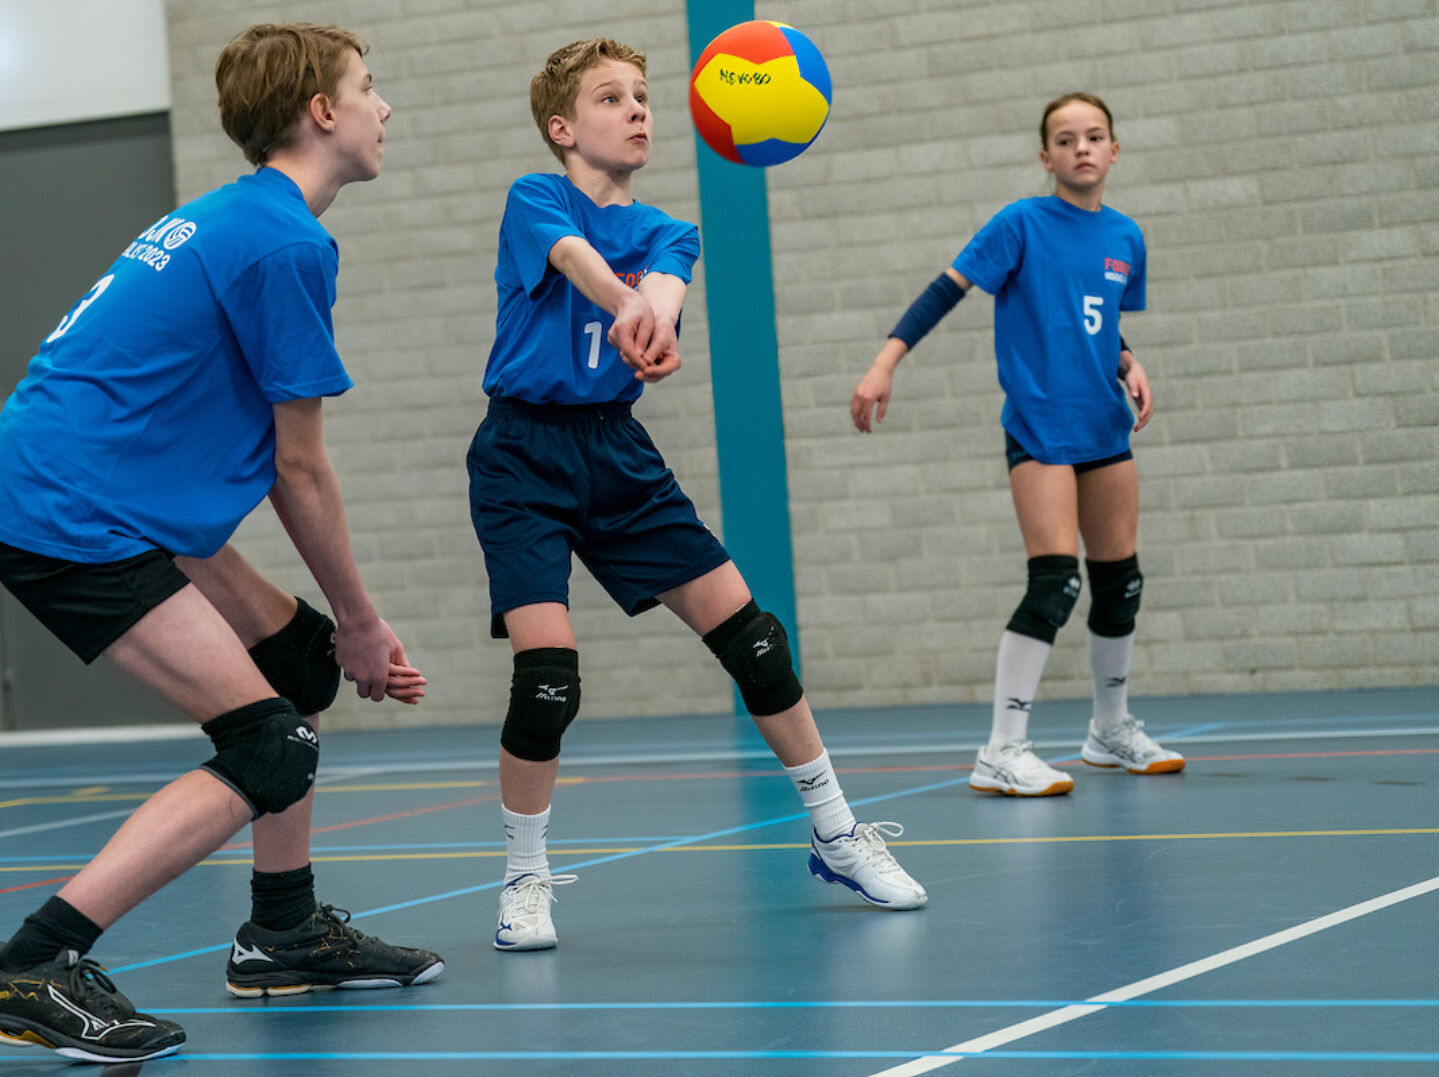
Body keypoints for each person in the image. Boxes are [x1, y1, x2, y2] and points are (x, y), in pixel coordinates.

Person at [0, 23, 443, 1064]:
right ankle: (36, 962)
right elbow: (300, 470)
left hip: (108, 493)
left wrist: (330, 638)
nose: (385, 109)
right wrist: (367, 627)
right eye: (369, 88)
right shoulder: (285, 241)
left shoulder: (228, 219)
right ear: (320, 113)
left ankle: (281, 932)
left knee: (295, 668)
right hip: (68, 508)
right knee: (268, 740)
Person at [468, 37, 927, 952]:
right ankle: (523, 875)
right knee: (548, 680)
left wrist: (657, 317)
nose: (639, 109)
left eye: (643, 96)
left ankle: (837, 832)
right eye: (612, 98)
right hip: (521, 454)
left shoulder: (673, 230)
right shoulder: (536, 197)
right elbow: (577, 264)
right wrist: (626, 306)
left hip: (616, 453)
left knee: (757, 641)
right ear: (563, 127)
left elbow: (665, 286)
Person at [851, 92, 1185, 798]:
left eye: (1094, 136)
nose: (1081, 149)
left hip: (1102, 425)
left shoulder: (1125, 237)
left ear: (1114, 149)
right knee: (1055, 581)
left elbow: (1089, 320)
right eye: (1065, 139)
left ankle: (1110, 729)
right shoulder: (1021, 224)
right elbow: (946, 290)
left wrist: (1127, 361)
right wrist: (886, 361)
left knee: (1120, 580)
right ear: (1046, 157)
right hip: (1039, 424)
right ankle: (1002, 748)